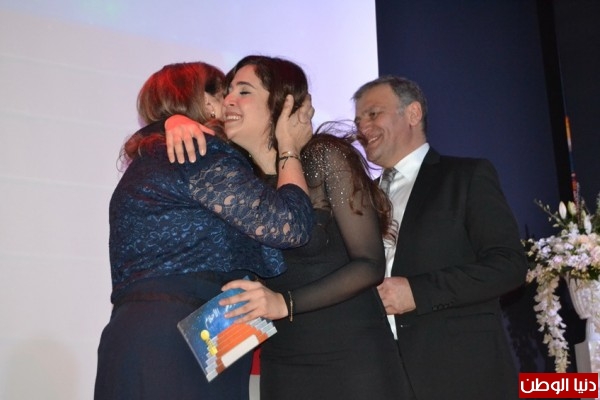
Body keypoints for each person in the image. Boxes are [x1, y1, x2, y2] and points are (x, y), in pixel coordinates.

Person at [165, 56, 405, 400]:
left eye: (244, 91)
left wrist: (284, 303)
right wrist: (173, 121)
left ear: (281, 103)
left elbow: (369, 264)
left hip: (352, 356)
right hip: (282, 363)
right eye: (228, 92)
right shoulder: (235, 181)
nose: (229, 100)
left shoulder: (323, 156)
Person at [94, 61, 315, 400]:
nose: (230, 102)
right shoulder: (197, 150)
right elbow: (289, 226)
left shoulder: (154, 156)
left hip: (150, 334)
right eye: (225, 92)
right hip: (182, 336)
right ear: (208, 102)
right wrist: (289, 147)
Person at [352, 75, 528, 400]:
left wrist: (417, 292)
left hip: (458, 372)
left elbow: (509, 266)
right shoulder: (360, 199)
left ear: (413, 113)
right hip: (379, 371)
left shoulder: (465, 177)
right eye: (358, 120)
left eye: (373, 114)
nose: (362, 128)